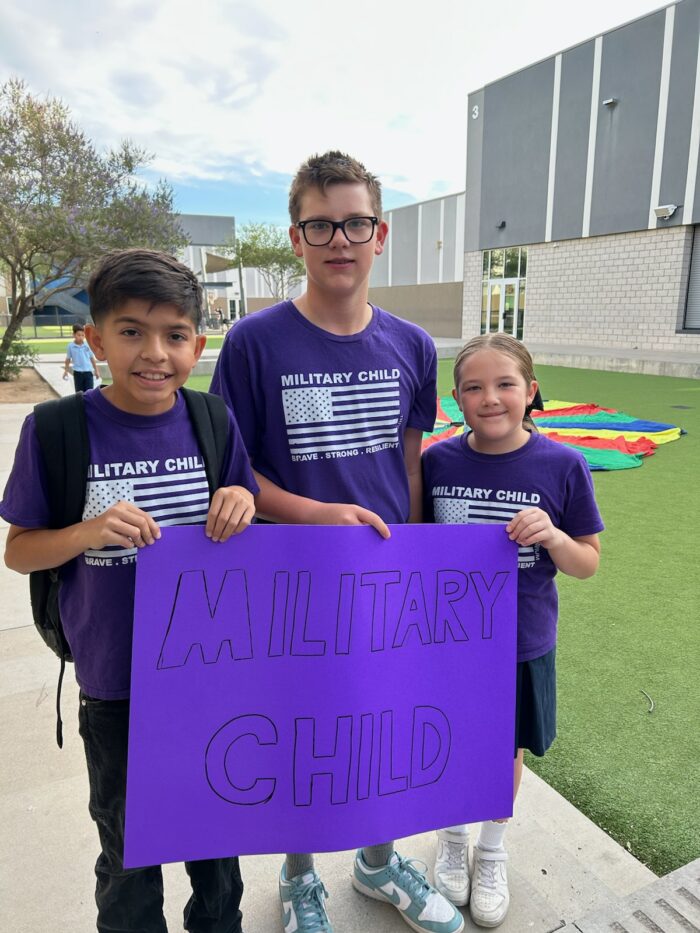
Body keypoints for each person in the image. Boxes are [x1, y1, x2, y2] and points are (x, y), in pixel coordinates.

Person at [211, 151, 464, 933]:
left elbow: (410, 461)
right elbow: (233, 470)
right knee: (301, 735)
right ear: (296, 237)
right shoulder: (254, 344)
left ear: (380, 233)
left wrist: (417, 558)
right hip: (292, 579)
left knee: (381, 726)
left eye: (355, 222)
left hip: (388, 578)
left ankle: (379, 861)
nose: (339, 239)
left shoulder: (415, 347)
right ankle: (299, 878)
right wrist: (316, 514)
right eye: (320, 224)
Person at [1, 248, 258, 933]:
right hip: (116, 686)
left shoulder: (213, 421)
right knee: (128, 853)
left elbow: (243, 510)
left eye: (175, 335)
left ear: (198, 345)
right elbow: (19, 549)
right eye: (132, 331)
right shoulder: (58, 429)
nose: (155, 353)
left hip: (209, 682)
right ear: (94, 340)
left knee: (216, 851)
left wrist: (240, 497)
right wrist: (86, 532)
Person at [422, 333, 604, 928]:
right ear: (455, 399)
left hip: (521, 640)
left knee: (507, 747)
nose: (490, 398)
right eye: (473, 387)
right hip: (446, 639)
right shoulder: (437, 461)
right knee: (447, 737)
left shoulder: (563, 463)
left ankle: (492, 851)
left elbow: (587, 562)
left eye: (505, 384)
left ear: (530, 391)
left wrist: (553, 536)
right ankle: (452, 837)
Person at [63, 321, 100, 391]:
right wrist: (66, 371)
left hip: (88, 373)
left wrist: (96, 370)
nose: (81, 337)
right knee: (79, 394)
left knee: (89, 393)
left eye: (83, 335)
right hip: (77, 374)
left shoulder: (87, 345)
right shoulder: (70, 346)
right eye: (79, 335)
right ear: (73, 335)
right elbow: (68, 359)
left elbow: (92, 358)